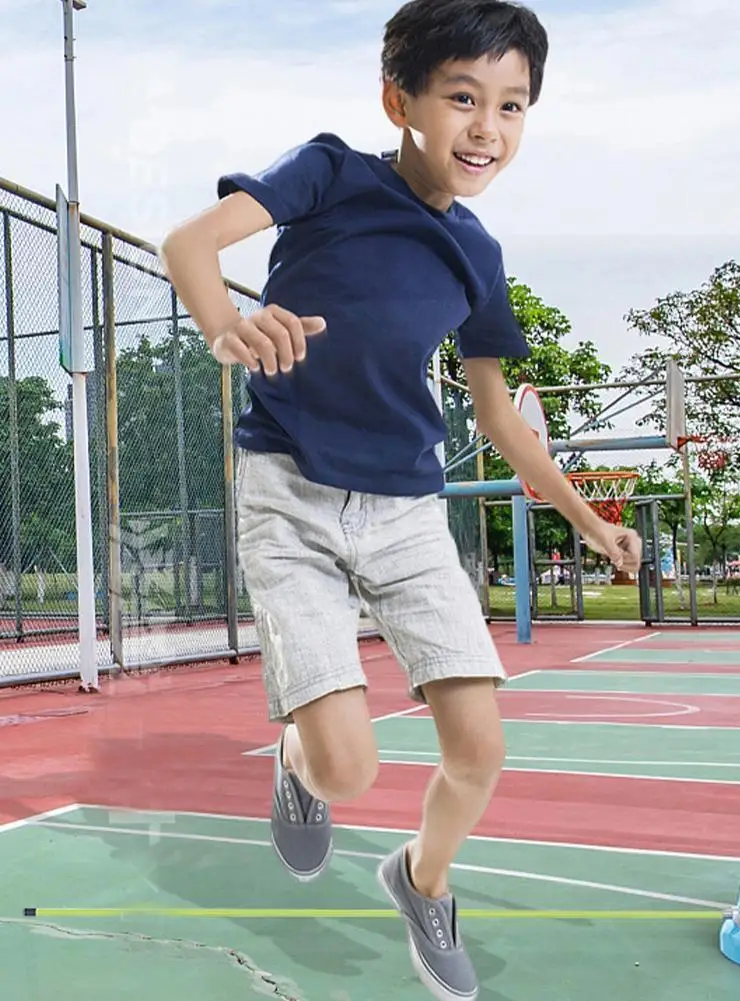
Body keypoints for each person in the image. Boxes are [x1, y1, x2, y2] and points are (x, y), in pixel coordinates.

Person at [159, 1, 642, 997]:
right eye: (462, 98)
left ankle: (422, 880)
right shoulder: (329, 172)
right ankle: (299, 760)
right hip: (291, 491)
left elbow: (500, 416)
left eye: (510, 106)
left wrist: (586, 517)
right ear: (400, 101)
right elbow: (189, 245)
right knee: (346, 770)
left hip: (406, 512)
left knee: (480, 748)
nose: (486, 127)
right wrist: (225, 328)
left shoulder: (479, 256)